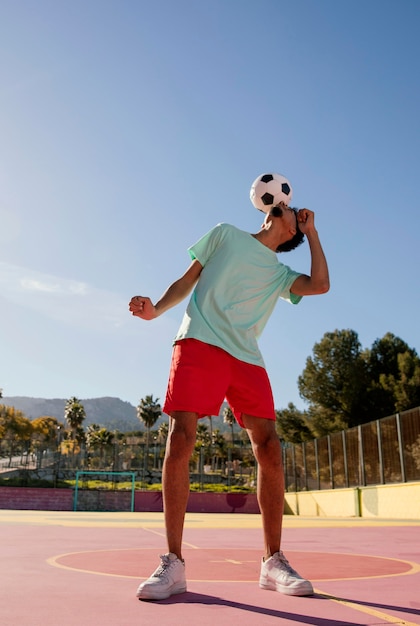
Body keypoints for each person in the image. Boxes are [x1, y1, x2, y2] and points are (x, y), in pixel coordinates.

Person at [129, 202, 329, 601]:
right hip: (199, 341)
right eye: (287, 206)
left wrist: (312, 233)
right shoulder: (225, 234)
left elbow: (321, 284)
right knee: (181, 438)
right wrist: (156, 311)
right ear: (270, 214)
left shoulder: (280, 274)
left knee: (270, 447)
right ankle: (173, 563)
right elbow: (188, 280)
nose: (290, 207)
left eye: (295, 211)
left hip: (246, 356)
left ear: (290, 232)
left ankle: (273, 562)